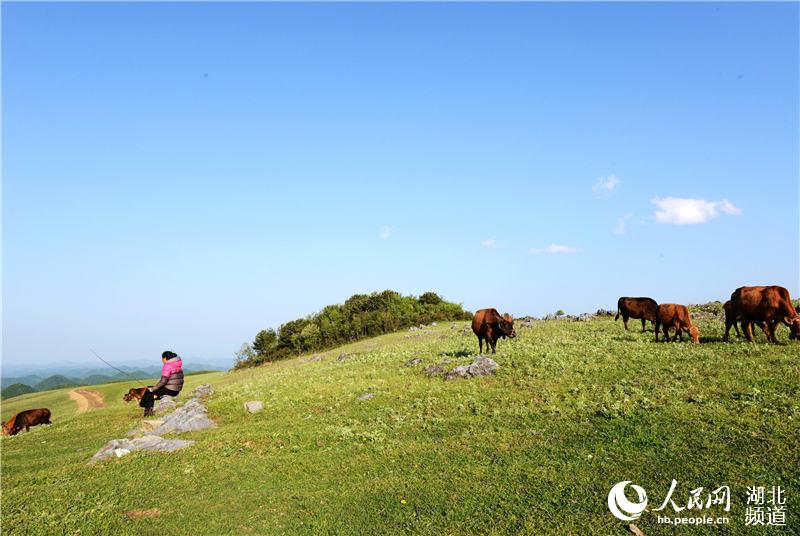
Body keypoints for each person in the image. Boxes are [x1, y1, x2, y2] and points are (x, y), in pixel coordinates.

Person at [140, 351, 184, 417]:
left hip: (170, 390)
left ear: (165, 358)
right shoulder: (177, 364)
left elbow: (163, 381)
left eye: (162, 358)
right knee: (150, 389)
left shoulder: (167, 365)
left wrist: (152, 389)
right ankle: (146, 405)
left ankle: (147, 412)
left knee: (148, 391)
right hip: (176, 391)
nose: (162, 360)